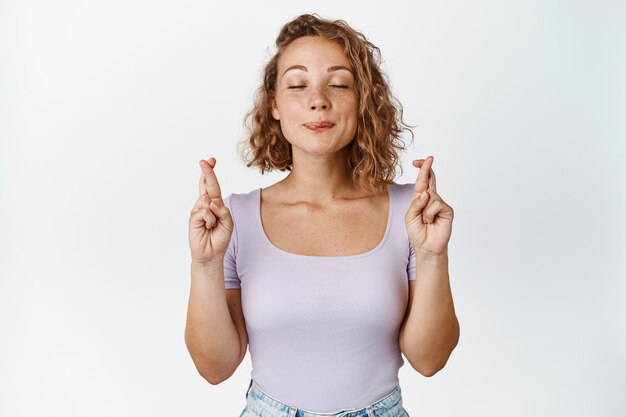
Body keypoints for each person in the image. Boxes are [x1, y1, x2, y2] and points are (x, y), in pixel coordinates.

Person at [185, 13, 459, 417]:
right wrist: (205, 263)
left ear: (362, 99)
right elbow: (215, 368)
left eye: (339, 84)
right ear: (274, 105)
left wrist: (433, 255)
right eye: (298, 84)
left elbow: (430, 360)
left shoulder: (411, 213)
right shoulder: (236, 218)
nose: (318, 100)